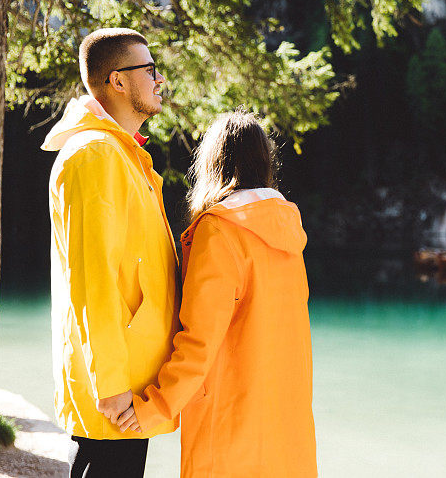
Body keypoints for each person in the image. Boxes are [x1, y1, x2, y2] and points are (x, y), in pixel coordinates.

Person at [115, 109, 317, 477]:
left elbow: (199, 342)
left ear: (212, 163)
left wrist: (154, 408)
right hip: (286, 422)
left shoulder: (220, 232)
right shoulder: (287, 228)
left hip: (229, 421)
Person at [42, 28, 180, 477]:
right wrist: (111, 382)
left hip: (131, 379)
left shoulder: (120, 154)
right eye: (150, 70)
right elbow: (92, 281)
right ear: (117, 81)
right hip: (115, 388)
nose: (159, 81)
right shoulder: (95, 156)